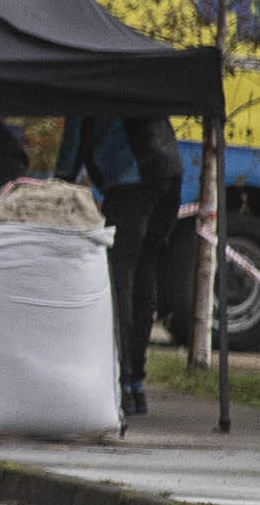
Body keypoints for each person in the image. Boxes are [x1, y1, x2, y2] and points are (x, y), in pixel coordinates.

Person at [55, 113, 182, 417]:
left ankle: (121, 380)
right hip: (169, 172)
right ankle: (136, 381)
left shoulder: (87, 81)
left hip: (131, 179)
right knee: (144, 276)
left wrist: (56, 186)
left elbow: (73, 147)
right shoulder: (133, 69)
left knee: (118, 278)